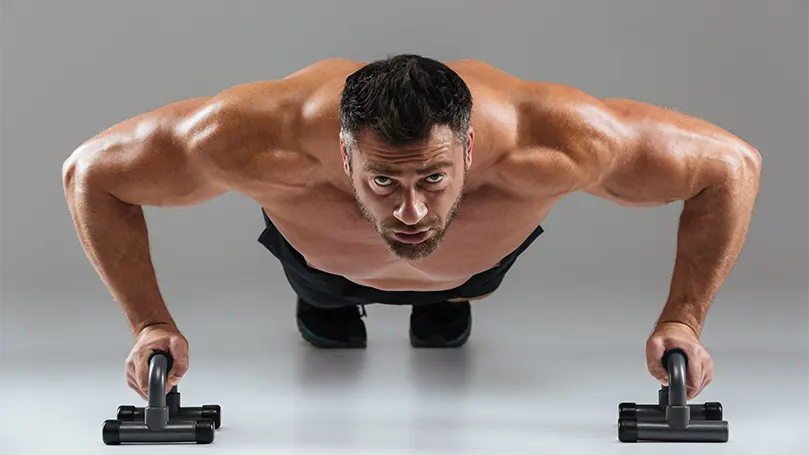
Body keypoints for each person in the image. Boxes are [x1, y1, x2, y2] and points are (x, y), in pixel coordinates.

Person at [62, 54, 761, 402]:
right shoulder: (253, 138)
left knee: (449, 291)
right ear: (343, 155)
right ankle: (330, 299)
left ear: (468, 149)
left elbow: (729, 164)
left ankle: (444, 298)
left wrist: (685, 318)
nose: (410, 211)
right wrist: (149, 324)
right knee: (328, 300)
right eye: (381, 181)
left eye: (431, 178)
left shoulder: (551, 140)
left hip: (474, 265)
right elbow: (90, 172)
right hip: (321, 261)